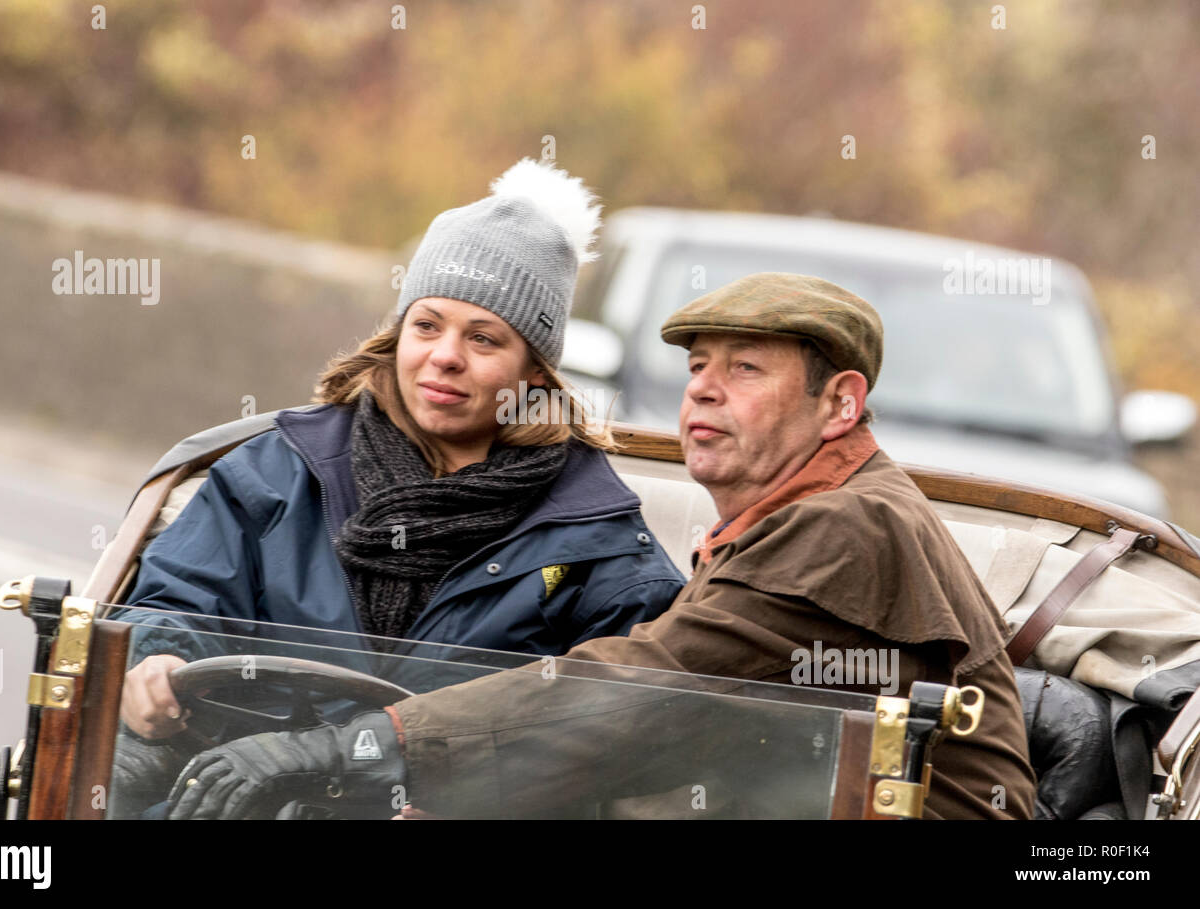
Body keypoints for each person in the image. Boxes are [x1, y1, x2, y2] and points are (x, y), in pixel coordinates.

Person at [165, 273, 1039, 821]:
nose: (702, 392)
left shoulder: (845, 525)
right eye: (698, 366)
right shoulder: (792, 517)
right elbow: (683, 730)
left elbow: (634, 691)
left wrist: (349, 749)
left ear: (839, 405)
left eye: (745, 370)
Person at [113, 158, 686, 744]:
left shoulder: (600, 548)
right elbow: (176, 597)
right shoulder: (274, 472)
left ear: (536, 374)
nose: (446, 355)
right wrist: (157, 657)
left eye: (483, 338)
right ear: (398, 335)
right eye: (428, 325)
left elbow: (610, 733)